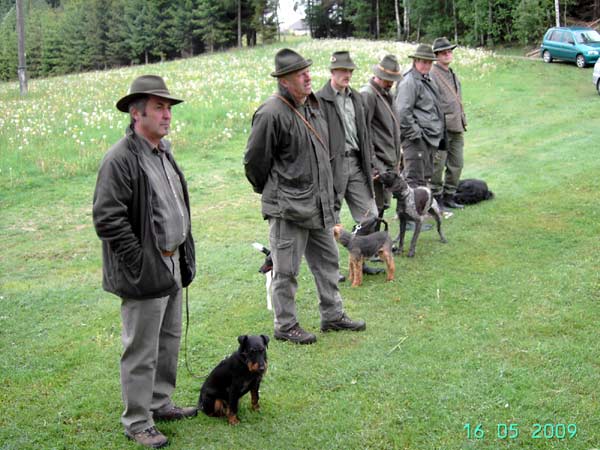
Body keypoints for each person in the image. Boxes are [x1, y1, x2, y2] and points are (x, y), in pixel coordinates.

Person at [92, 75, 197, 449]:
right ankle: (138, 421)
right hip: (145, 269)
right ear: (137, 114)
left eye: (168, 108)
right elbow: (107, 218)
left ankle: (160, 402)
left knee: (168, 339)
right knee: (141, 346)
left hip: (170, 262)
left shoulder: (162, 150)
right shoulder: (120, 158)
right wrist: (139, 261)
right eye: (159, 108)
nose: (167, 115)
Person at [244, 48, 366, 345]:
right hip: (288, 209)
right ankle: (285, 325)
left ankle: (333, 315)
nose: (309, 76)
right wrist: (277, 193)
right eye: (301, 74)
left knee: (328, 262)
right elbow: (254, 163)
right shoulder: (271, 113)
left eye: (308, 71)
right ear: (285, 80)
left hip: (318, 205)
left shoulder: (312, 105)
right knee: (286, 271)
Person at [316, 51, 382, 276]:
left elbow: (365, 134)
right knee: (330, 220)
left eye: (350, 71)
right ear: (332, 72)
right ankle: (332, 270)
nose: (347, 74)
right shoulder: (319, 99)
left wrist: (371, 162)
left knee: (370, 214)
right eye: (343, 70)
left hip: (356, 163)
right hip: (332, 167)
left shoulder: (357, 97)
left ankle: (360, 259)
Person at [360, 54, 403, 221]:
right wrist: (374, 165)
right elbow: (363, 134)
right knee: (374, 209)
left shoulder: (386, 93)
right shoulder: (368, 94)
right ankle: (365, 244)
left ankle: (374, 242)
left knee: (383, 205)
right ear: (378, 75)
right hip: (378, 163)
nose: (391, 82)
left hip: (389, 159)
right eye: (388, 78)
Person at [395, 44, 444, 188]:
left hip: (428, 138)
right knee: (414, 180)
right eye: (423, 61)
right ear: (415, 60)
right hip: (416, 140)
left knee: (424, 178)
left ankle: (422, 210)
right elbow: (402, 112)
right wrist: (416, 135)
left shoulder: (426, 79)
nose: (427, 65)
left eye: (429, 62)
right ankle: (410, 211)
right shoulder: (409, 81)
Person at [429, 37, 467, 210]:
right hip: (441, 128)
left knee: (457, 163)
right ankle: (437, 199)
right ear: (436, 55)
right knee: (438, 165)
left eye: (449, 51)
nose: (447, 54)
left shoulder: (452, 73)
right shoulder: (432, 74)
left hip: (457, 125)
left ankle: (450, 195)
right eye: (443, 52)